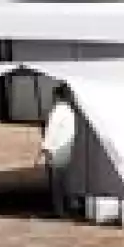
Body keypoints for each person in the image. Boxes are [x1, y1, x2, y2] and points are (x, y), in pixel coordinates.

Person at [38, 83, 76, 217]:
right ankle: (64, 208)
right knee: (63, 182)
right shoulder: (69, 111)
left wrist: (45, 149)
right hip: (65, 149)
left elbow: (50, 131)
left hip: (58, 151)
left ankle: (60, 209)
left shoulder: (58, 111)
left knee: (58, 184)